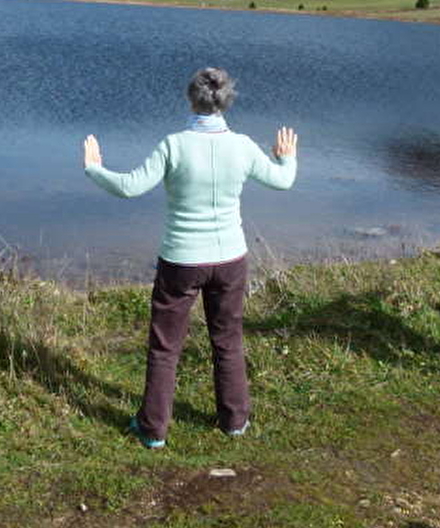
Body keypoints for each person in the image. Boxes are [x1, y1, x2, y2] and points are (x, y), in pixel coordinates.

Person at [82, 67, 298, 448]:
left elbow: (130, 188)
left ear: (190, 98)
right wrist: (287, 159)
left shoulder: (174, 145)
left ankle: (153, 429)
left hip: (181, 262)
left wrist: (94, 169)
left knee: (166, 347)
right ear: (226, 101)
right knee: (227, 340)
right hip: (231, 260)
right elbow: (284, 182)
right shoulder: (244, 146)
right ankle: (234, 421)